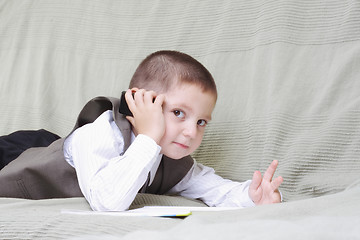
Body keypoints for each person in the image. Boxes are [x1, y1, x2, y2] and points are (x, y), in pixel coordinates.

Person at [0, 50, 283, 211]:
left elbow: (215, 189)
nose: (190, 132)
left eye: (201, 122)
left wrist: (252, 196)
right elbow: (108, 203)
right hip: (19, 157)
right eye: (178, 113)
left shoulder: (174, 160)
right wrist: (148, 136)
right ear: (138, 102)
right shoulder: (101, 133)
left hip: (57, 147)